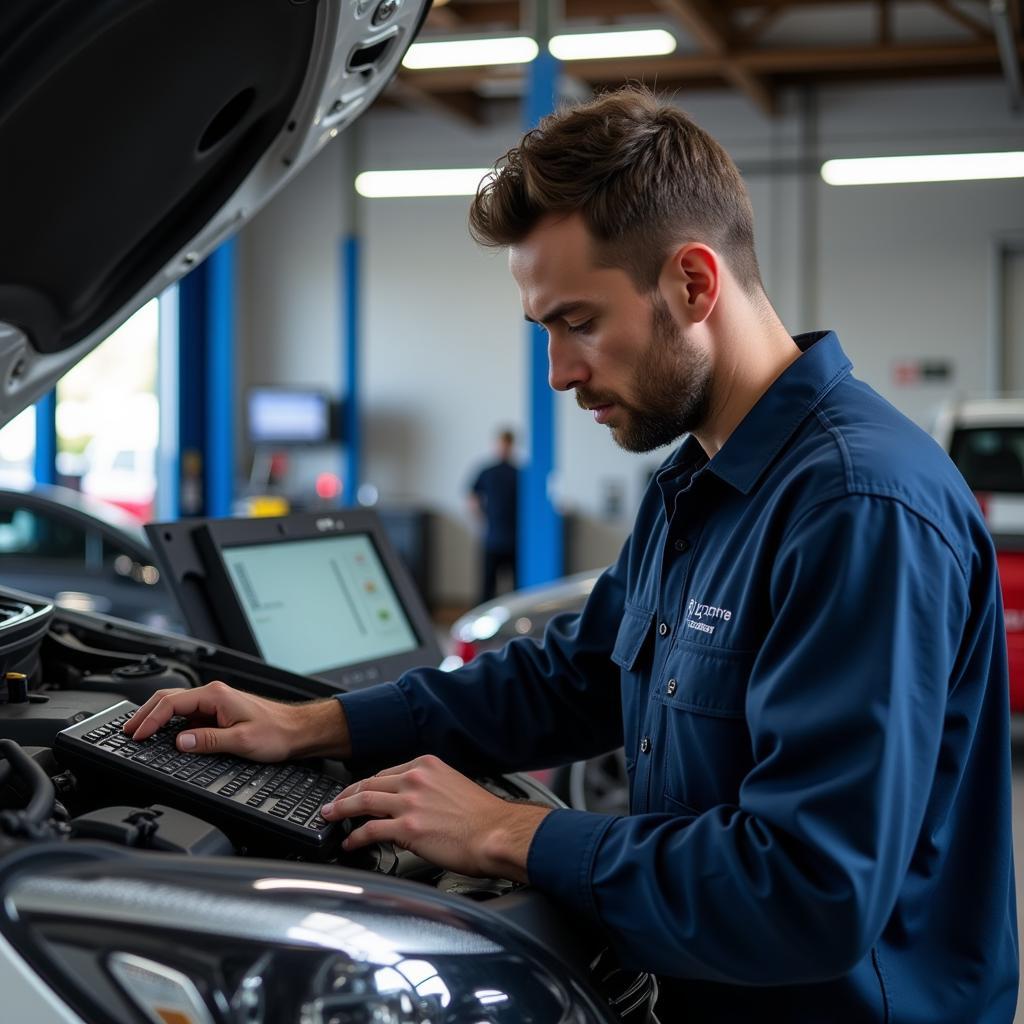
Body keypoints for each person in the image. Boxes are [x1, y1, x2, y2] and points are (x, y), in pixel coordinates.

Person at [124, 86, 1018, 1021]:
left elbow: (807, 889)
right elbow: (573, 678)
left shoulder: (855, 506)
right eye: (543, 329)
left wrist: (512, 834)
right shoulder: (697, 483)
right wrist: (312, 725)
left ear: (694, 284)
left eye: (579, 322)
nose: (558, 373)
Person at [467, 427, 519, 602]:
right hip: (492, 539)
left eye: (507, 445)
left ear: (512, 446)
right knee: (487, 588)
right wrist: (483, 518)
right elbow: (472, 497)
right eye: (501, 445)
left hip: (515, 539)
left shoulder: (518, 473)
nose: (503, 449)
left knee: (517, 588)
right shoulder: (487, 472)